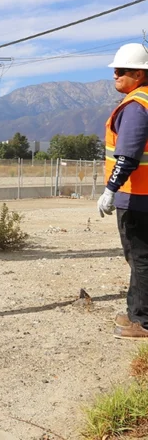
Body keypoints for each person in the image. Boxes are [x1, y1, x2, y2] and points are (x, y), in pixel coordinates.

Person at [96, 44, 148, 339]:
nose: (115, 75)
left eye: (120, 71)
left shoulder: (136, 106)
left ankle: (142, 321)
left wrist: (110, 189)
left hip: (137, 195)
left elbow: (127, 156)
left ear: (138, 74)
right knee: (141, 257)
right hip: (142, 194)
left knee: (139, 257)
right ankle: (134, 312)